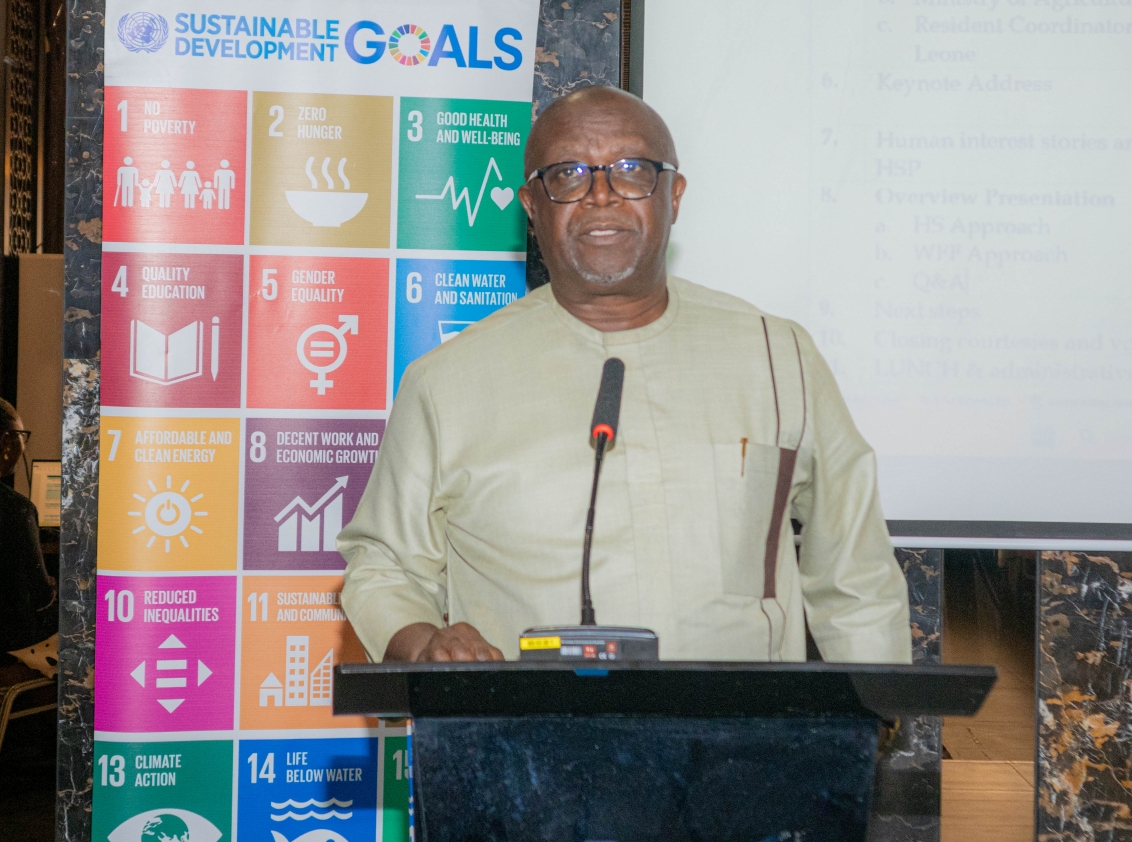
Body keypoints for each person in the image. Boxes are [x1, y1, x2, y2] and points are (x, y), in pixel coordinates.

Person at [338, 86, 910, 664]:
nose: (601, 196)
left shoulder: (777, 355)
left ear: (674, 195)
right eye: (568, 174)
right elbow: (383, 566)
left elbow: (855, 578)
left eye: (632, 170)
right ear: (533, 207)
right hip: (527, 745)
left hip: (742, 744)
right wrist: (422, 642)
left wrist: (873, 717)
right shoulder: (448, 381)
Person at [0, 392, 58, 676]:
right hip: (2, 647)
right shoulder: (14, 510)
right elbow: (36, 605)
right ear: (7, 441)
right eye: (22, 435)